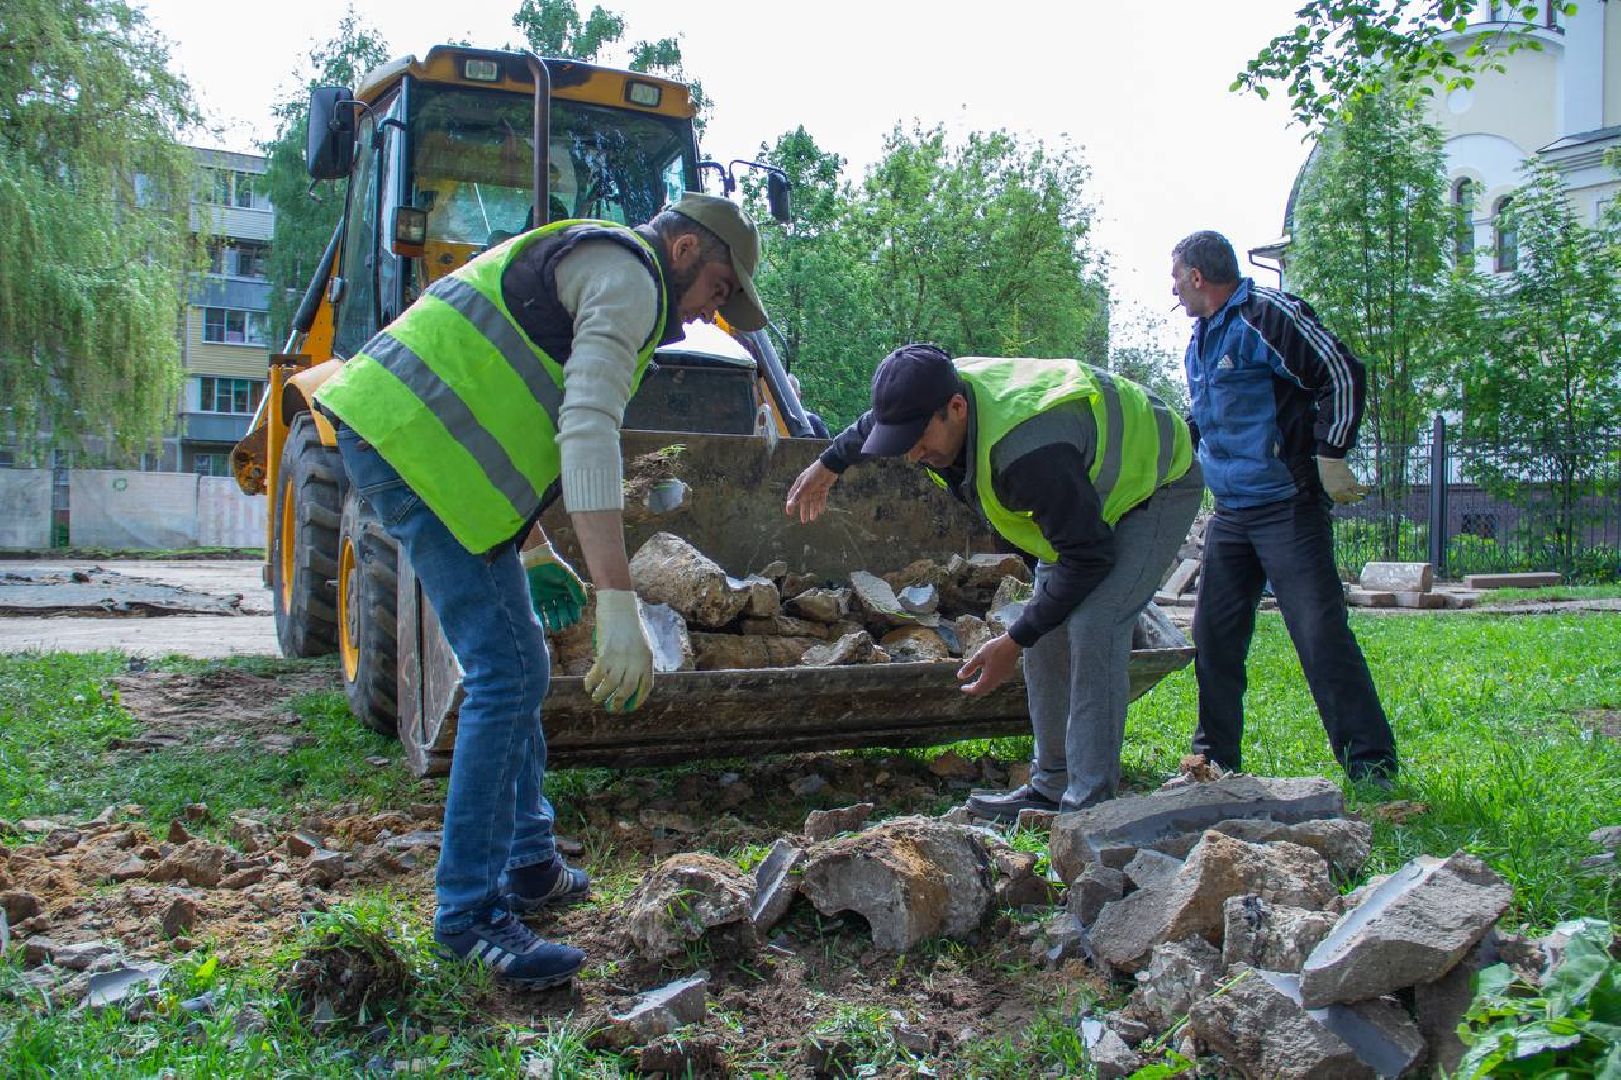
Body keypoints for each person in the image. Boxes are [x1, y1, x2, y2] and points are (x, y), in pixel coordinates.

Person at [314, 193, 766, 988]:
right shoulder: (628, 277)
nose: (705, 317)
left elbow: (490, 405)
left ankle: (527, 862)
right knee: (509, 670)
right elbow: (585, 429)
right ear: (687, 250)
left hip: (409, 437)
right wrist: (616, 597)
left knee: (515, 657)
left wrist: (535, 548)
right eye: (717, 291)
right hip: (403, 442)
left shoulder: (598, 263)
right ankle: (468, 915)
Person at [785, 344, 1203, 819]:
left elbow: (1088, 557)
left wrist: (1014, 640)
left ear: (957, 409)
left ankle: (1089, 809)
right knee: (1047, 633)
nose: (914, 455)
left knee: (1095, 625)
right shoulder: (938, 388)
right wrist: (830, 462)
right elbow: (880, 421)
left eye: (918, 440)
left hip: (1158, 479)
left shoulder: (1025, 453)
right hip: (1086, 489)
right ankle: (1049, 787)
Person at [1169, 229, 1398, 784]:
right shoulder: (1201, 339)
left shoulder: (1266, 316)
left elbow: (1341, 372)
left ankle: (1369, 762)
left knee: (1319, 632)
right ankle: (1214, 759)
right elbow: (1203, 418)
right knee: (1216, 638)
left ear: (1198, 277)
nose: (1173, 290)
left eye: (1176, 278)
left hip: (1286, 505)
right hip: (1230, 511)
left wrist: (1329, 453)